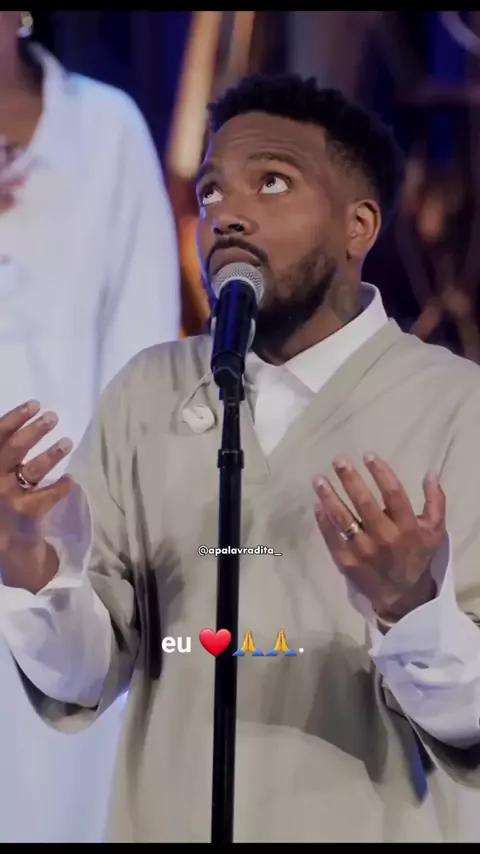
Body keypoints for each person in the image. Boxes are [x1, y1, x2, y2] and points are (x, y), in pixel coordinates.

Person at [1, 72, 480, 843]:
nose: (226, 213)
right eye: (211, 192)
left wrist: (410, 608)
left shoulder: (458, 407)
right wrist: (32, 574)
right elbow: (83, 676)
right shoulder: (147, 393)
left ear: (359, 226)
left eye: (273, 182)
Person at [0, 10, 180, 845]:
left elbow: (142, 348)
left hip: (70, 548)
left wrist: (105, 534)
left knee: (59, 791)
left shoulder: (105, 129)